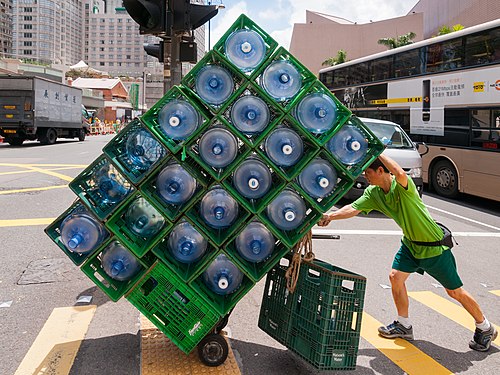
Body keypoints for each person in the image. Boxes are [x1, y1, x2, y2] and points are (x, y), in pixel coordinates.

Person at [318, 154, 497, 352]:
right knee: (395, 277)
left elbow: (399, 172)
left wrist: (378, 152)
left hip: (433, 246)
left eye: (368, 172)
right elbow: (353, 208)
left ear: (380, 170)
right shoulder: (373, 193)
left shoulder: (403, 186)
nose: (365, 176)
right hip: (410, 245)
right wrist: (330, 217)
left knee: (454, 292)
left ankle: (485, 326)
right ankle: (404, 325)